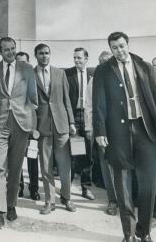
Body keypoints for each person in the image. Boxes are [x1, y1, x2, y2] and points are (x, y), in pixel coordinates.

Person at [93, 31, 156, 242]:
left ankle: (144, 231)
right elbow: (99, 104)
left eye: (122, 46)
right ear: (110, 49)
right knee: (122, 185)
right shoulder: (103, 70)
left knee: (148, 184)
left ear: (127, 44)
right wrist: (100, 131)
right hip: (117, 134)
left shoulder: (144, 66)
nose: (119, 51)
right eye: (115, 48)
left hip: (145, 131)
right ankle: (128, 234)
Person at [0, 37, 38, 228]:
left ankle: (11, 205)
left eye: (13, 49)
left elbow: (33, 98)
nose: (11, 52)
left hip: (20, 124)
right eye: (6, 50)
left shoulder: (27, 69)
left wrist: (30, 121)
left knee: (15, 168)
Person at [34, 43, 76, 215]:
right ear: (36, 55)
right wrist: (31, 127)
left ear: (50, 55)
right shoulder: (30, 74)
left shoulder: (60, 73)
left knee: (65, 166)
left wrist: (71, 122)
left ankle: (66, 197)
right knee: (45, 167)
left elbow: (67, 100)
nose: (44, 56)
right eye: (41, 53)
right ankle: (49, 201)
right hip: (41, 126)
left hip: (62, 125)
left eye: (47, 53)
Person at [84, 50, 118, 216]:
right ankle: (113, 200)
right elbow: (89, 106)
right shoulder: (94, 80)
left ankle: (128, 197)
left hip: (122, 129)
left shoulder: (122, 77)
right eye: (102, 63)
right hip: (102, 129)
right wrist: (90, 127)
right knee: (107, 165)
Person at [65, 47, 95, 200]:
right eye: (74, 57)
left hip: (88, 116)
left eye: (79, 58)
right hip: (74, 117)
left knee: (88, 154)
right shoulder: (67, 74)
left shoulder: (93, 74)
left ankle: (86, 187)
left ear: (86, 58)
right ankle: (67, 187)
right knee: (75, 152)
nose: (76, 60)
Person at [16, 51, 40, 201]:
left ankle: (34, 189)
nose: (22, 65)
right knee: (16, 158)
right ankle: (19, 187)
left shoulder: (35, 77)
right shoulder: (12, 79)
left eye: (25, 62)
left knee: (32, 158)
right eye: (19, 62)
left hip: (32, 125)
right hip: (17, 125)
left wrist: (35, 127)